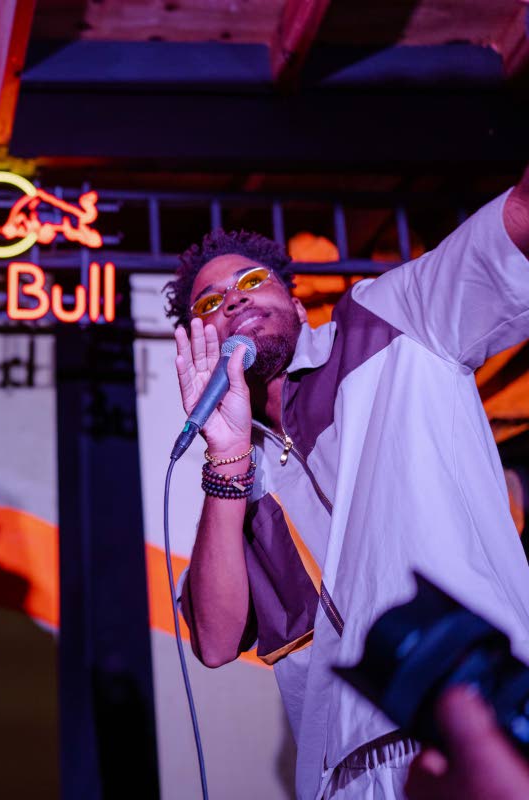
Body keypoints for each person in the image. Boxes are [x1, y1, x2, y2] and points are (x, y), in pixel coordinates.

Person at [166, 177, 529, 797]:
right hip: (343, 770)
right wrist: (225, 458)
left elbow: (518, 215)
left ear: (298, 304)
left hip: (480, 713)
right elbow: (217, 641)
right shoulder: (237, 465)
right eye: (209, 303)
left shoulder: (391, 320)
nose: (233, 300)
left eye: (252, 282)